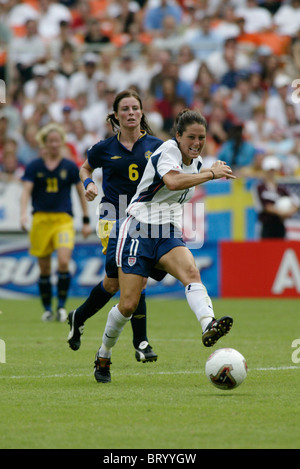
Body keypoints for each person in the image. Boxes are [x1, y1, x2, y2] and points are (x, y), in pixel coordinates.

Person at [93, 109, 236, 383]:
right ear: (178, 136)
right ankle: (104, 353)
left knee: (191, 273)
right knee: (128, 305)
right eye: (191, 137)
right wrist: (211, 174)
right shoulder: (168, 150)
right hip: (137, 228)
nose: (196, 143)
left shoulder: (198, 163)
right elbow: (171, 180)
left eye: (202, 138)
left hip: (167, 230)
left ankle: (209, 325)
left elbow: (183, 185)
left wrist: (207, 171)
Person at [67, 89, 164, 363]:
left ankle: (79, 316)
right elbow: (84, 168)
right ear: (116, 115)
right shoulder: (104, 148)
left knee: (113, 284)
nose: (131, 113)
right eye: (125, 109)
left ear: (142, 113)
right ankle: (141, 342)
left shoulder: (156, 146)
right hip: (113, 218)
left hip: (145, 219)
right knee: (137, 277)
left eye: (135, 108)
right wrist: (88, 184)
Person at [20, 123, 92, 322]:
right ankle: (47, 308)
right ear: (44, 143)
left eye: (57, 141)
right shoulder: (34, 166)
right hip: (41, 219)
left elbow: (80, 193)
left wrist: (86, 220)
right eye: (50, 141)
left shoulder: (69, 166)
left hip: (63, 220)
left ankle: (60, 306)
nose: (53, 145)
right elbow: (26, 191)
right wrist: (23, 214)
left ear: (61, 143)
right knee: (43, 268)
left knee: (62, 262)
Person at [254, 155, 299, 239]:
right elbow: (266, 206)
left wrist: (290, 211)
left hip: (279, 224)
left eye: (273, 170)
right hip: (266, 223)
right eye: (269, 170)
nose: (271, 173)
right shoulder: (260, 187)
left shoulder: (281, 188)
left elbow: (295, 202)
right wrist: (281, 213)